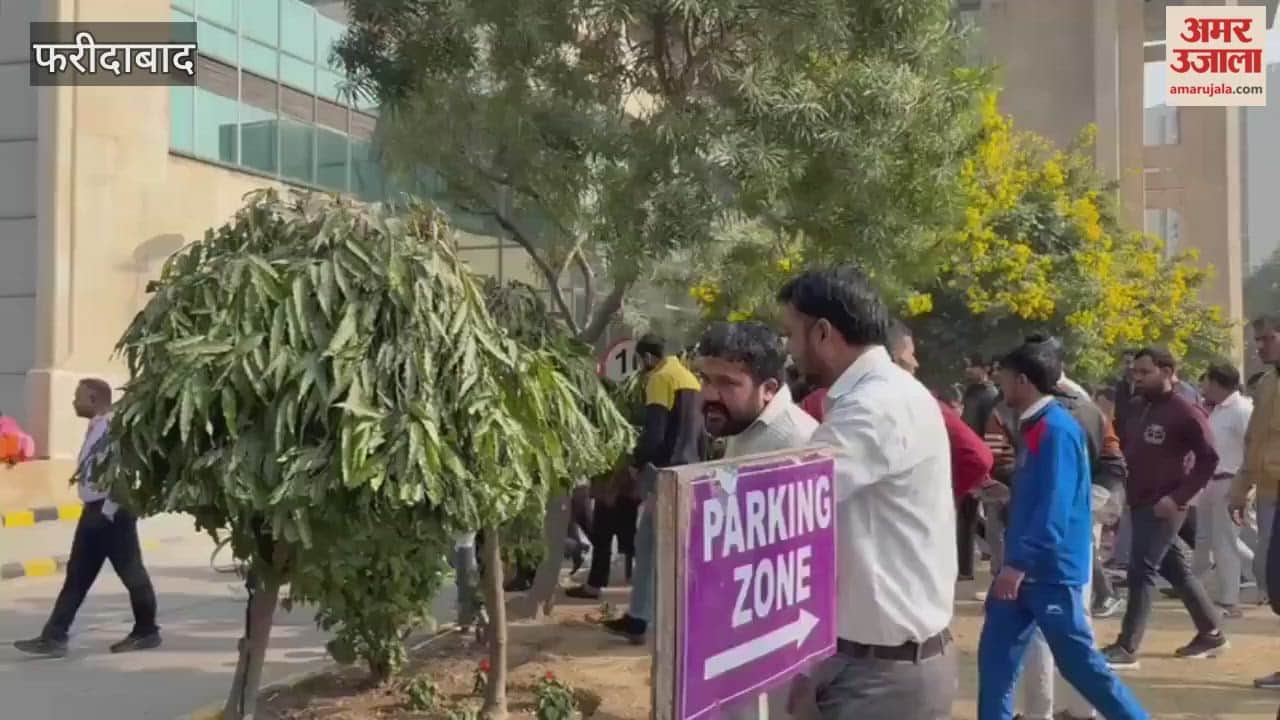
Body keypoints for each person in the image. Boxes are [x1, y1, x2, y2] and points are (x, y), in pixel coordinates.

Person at [778, 267, 956, 720]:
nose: (788, 349)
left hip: (881, 677)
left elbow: (786, 500)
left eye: (790, 334)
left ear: (821, 333)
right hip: (864, 662)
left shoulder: (875, 408)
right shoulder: (880, 395)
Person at [976, 339, 1148, 720]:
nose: (999, 388)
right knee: (995, 662)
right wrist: (1008, 493)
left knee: (1080, 666)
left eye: (1003, 379)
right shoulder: (1035, 426)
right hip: (1024, 570)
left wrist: (1018, 564)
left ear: (1022, 381)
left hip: (1048, 571)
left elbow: (1055, 509)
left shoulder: (1056, 429)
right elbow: (1045, 493)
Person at [693, 321, 819, 720]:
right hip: (737, 627)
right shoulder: (740, 430)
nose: (709, 394)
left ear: (768, 388)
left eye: (727, 383)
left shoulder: (799, 442)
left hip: (784, 641)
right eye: (705, 379)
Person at [14, 379, 161, 658]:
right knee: (78, 576)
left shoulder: (113, 429)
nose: (73, 401)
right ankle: (54, 636)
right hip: (95, 511)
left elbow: (123, 473)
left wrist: (107, 512)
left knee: (131, 573)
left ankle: (146, 631)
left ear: (93, 399)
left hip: (111, 513)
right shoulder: (98, 426)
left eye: (77, 397)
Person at [1103, 348, 1226, 669]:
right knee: (1175, 569)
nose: (1139, 378)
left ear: (1168, 372)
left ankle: (1127, 647)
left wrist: (1179, 497)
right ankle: (1211, 631)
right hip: (1138, 499)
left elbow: (1209, 458)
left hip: (1165, 504)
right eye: (1136, 373)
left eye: (1146, 372)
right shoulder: (1136, 406)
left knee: (1140, 571)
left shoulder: (1185, 411)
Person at [603, 334, 702, 644]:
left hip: (663, 473)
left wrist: (637, 461)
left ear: (647, 358)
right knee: (672, 547)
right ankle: (659, 617)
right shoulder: (690, 379)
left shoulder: (660, 379)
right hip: (690, 470)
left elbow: (655, 431)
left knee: (649, 546)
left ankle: (643, 620)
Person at [886, 322, 994, 502]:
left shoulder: (921, 403)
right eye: (911, 355)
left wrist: (939, 493)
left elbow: (978, 456)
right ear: (893, 358)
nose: (916, 363)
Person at [1231, 313, 1280, 690]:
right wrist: (1240, 485)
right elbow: (1253, 442)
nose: (1259, 346)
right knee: (1271, 577)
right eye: (1257, 339)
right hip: (1268, 493)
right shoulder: (1265, 386)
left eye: (1266, 339)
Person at [1194, 363, 1255, 617]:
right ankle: (1194, 590)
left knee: (1225, 542)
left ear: (1217, 382)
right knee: (1204, 540)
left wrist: (1246, 486)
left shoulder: (1242, 409)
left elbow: (1252, 447)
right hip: (1210, 481)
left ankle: (1229, 600)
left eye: (1206, 381)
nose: (1203, 386)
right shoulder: (1217, 410)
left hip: (1231, 481)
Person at [960, 354, 1001, 581]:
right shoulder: (971, 392)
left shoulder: (990, 395)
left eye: (972, 366)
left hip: (980, 459)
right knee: (966, 514)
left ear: (984, 368)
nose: (968, 370)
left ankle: (967, 567)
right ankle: (963, 566)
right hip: (966, 456)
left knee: (977, 514)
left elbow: (989, 432)